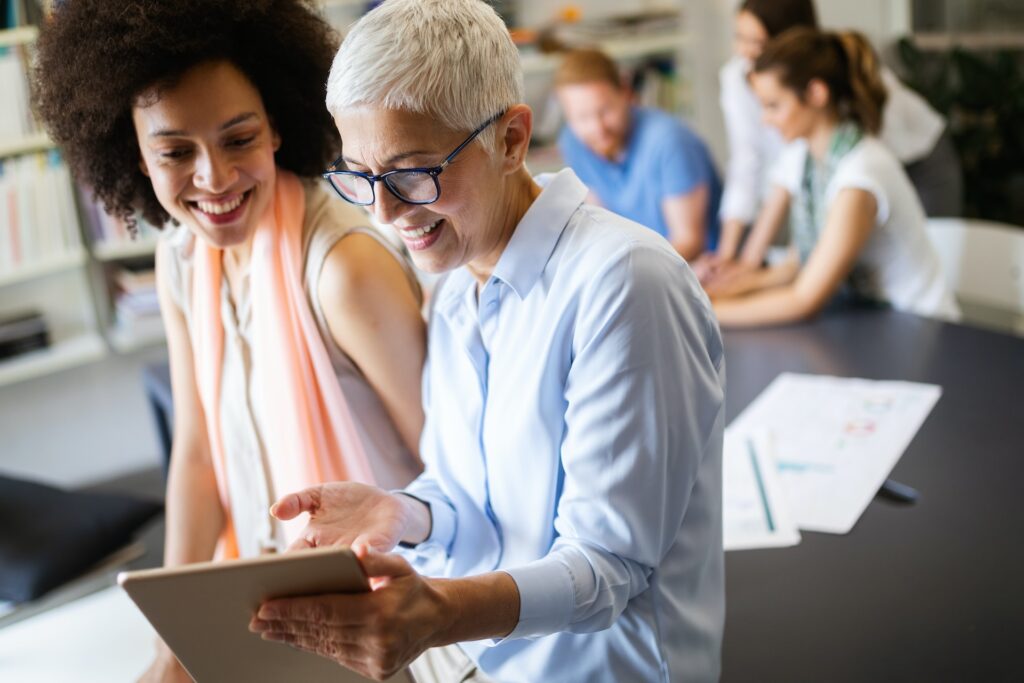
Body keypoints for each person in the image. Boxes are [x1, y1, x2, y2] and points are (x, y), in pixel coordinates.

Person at [247, 1, 726, 682]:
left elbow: (608, 568)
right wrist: (403, 510)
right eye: (361, 175)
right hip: (499, 664)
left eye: (412, 172)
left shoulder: (624, 282)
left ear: (511, 139)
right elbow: (466, 489)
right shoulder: (455, 284)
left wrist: (438, 610)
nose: (384, 212)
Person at [32, 1, 426, 681]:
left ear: (278, 125)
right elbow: (197, 458)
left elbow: (452, 473)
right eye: (175, 152)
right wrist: (173, 642)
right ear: (135, 155)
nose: (212, 179)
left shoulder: (343, 270)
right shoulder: (181, 260)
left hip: (398, 613)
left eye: (238, 139)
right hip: (268, 611)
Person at [709, 28, 960, 328]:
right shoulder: (809, 161)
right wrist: (720, 292)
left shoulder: (860, 175)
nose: (766, 119)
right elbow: (797, 263)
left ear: (816, 93)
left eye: (774, 106)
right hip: (874, 321)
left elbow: (804, 299)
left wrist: (706, 313)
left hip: (919, 325)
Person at [554, 48, 723, 260]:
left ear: (626, 93)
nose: (598, 128)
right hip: (638, 264)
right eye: (582, 118)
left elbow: (689, 242)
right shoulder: (573, 142)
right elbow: (601, 227)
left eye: (605, 111)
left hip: (699, 271)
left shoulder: (669, 142)